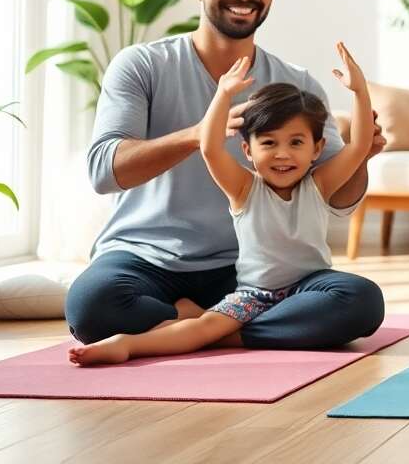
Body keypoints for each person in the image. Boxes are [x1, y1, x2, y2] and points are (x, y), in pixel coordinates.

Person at [64, 0, 386, 349]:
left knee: (360, 302)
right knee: (91, 306)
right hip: (147, 259)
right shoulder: (141, 65)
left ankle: (205, 328)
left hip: (254, 270)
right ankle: (217, 327)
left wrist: (361, 155)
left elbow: (339, 198)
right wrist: (198, 135)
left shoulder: (298, 84)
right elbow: (104, 171)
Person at [70, 45, 376, 365]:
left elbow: (360, 145)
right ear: (246, 150)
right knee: (106, 307)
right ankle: (130, 344)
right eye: (269, 143)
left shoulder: (319, 184)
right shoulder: (245, 189)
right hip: (256, 294)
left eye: (296, 143)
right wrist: (223, 94)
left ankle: (219, 333)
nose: (282, 154)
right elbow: (211, 148)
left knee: (363, 299)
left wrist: (360, 91)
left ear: (318, 149)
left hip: (306, 286)